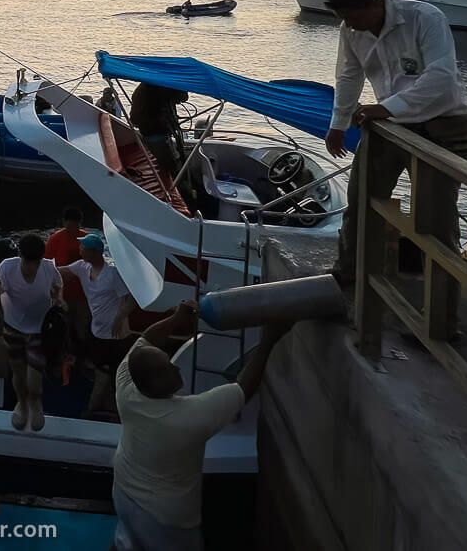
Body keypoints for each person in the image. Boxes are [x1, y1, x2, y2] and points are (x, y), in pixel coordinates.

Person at [322, 0, 467, 336]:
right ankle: (349, 271)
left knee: (436, 221)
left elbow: (442, 77)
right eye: (343, 19)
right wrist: (338, 123)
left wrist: (388, 107)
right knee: (361, 200)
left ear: (374, 4)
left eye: (352, 16)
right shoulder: (351, 30)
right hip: (388, 126)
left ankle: (441, 318)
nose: (348, 25)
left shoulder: (424, 18)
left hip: (439, 124)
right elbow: (348, 77)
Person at [112, 305, 288, 551]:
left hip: (124, 493)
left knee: (126, 542)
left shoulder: (126, 386)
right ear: (153, 383)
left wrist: (175, 318)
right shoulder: (187, 418)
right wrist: (269, 340)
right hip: (166, 519)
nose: (175, 367)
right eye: (166, 369)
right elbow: (243, 388)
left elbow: (146, 340)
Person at [61, 232, 137, 415]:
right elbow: (58, 271)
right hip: (97, 332)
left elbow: (130, 299)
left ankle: (91, 410)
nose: (79, 250)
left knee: (108, 375)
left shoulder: (112, 275)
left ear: (95, 253)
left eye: (83, 248)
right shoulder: (82, 268)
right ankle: (109, 406)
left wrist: (119, 318)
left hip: (115, 335)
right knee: (104, 372)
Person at [0, 233, 63, 431]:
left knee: (35, 373)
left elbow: (58, 285)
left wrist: (59, 299)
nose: (32, 267)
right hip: (12, 325)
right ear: (19, 255)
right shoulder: (7, 267)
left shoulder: (49, 268)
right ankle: (22, 403)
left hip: (38, 328)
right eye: (27, 261)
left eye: (36, 262)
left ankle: (35, 403)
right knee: (17, 369)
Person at [45, 207, 89, 344]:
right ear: (64, 223)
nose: (72, 230)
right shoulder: (55, 239)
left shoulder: (86, 239)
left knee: (83, 329)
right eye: (69, 226)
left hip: (84, 294)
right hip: (63, 294)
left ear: (80, 224)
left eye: (75, 226)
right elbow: (45, 264)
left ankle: (83, 355)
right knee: (65, 330)